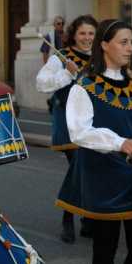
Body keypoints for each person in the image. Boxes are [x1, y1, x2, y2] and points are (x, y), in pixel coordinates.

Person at [56, 19, 132, 264]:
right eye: (123, 42)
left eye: (131, 43)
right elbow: (79, 131)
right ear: (104, 45)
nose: (130, 48)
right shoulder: (85, 86)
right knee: (105, 248)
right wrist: (119, 142)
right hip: (104, 179)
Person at [36, 15, 97, 243]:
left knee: (89, 169)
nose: (87, 38)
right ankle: (69, 219)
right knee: (79, 167)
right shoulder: (60, 57)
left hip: (94, 122)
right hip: (69, 123)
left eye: (91, 33)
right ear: (73, 35)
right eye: (83, 33)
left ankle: (87, 218)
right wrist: (67, 73)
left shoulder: (99, 57)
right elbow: (41, 83)